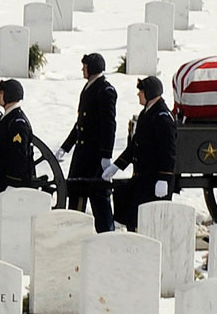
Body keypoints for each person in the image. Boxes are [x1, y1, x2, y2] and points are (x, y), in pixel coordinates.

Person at [59, 52, 118, 232]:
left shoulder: (105, 90)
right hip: (83, 153)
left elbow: (108, 126)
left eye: (84, 66)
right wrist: (66, 147)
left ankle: (107, 233)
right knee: (76, 192)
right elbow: (81, 124)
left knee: (99, 196)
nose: (82, 70)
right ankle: (74, 230)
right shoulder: (89, 88)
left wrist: (106, 155)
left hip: (94, 154)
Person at [112, 75, 178, 229]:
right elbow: (135, 145)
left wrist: (164, 178)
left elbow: (168, 152)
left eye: (141, 91)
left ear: (149, 93)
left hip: (155, 180)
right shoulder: (146, 114)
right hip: (143, 177)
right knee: (125, 202)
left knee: (148, 222)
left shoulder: (163, 118)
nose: (138, 94)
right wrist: (117, 166)